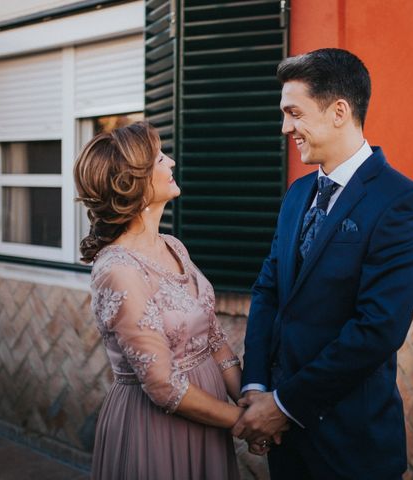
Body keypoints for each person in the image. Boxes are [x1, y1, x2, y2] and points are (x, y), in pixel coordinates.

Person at [232, 48, 413, 479]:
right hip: (285, 443)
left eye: (294, 113)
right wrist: (255, 386)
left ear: (339, 111)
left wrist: (283, 405)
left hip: (351, 445)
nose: (286, 127)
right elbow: (268, 291)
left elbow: (376, 329)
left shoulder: (403, 203)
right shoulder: (296, 195)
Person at [74, 121, 242, 479]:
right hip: (157, 429)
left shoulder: (174, 246)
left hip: (209, 422)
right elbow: (162, 384)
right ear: (132, 182)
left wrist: (248, 398)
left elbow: (215, 340)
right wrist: (246, 422)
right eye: (159, 158)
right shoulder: (118, 269)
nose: (171, 163)